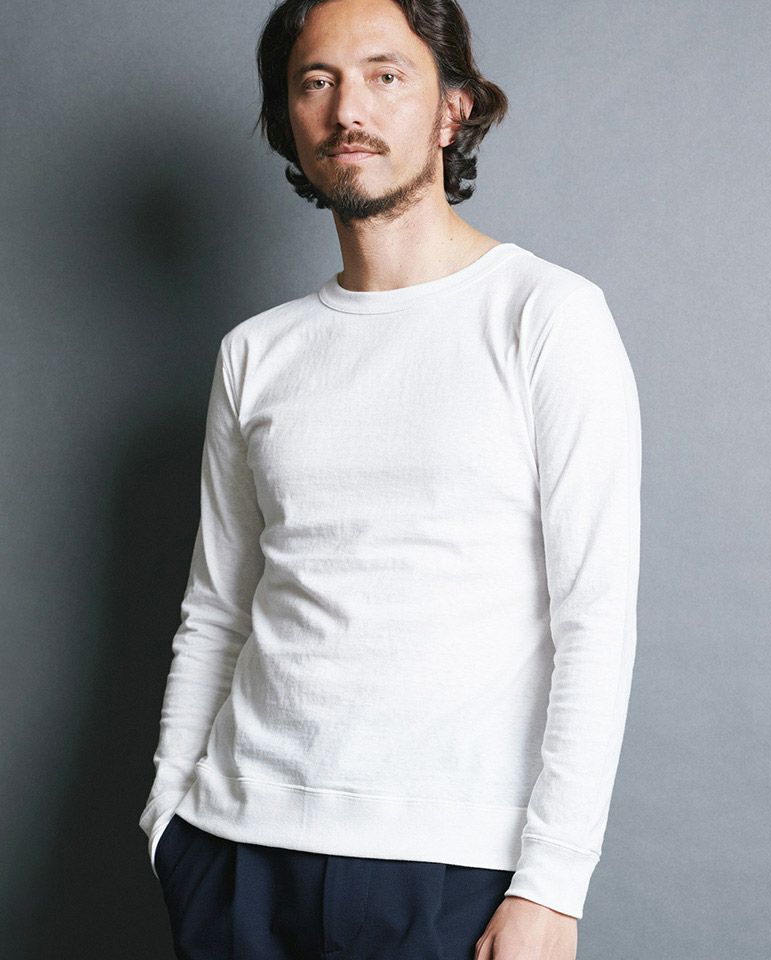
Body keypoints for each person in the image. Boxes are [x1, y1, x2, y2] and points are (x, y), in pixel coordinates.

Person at [138, 0, 642, 957]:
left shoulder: (546, 317)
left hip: (451, 866)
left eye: (385, 74)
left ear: (452, 108)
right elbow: (217, 609)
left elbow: (595, 620)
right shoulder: (256, 353)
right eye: (316, 82)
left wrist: (553, 884)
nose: (348, 109)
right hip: (234, 852)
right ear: (289, 119)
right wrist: (170, 815)